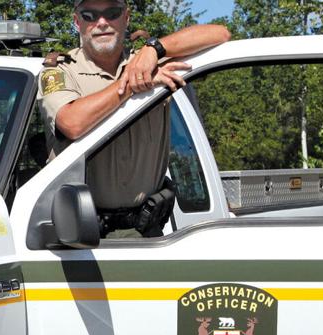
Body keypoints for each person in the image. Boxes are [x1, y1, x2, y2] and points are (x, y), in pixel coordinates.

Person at [40, 0, 230, 236]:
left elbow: (220, 34)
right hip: (81, 237)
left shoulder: (150, 62)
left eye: (112, 13)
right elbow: (71, 122)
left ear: (126, 18)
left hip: (148, 231)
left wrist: (154, 49)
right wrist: (131, 83)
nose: (102, 23)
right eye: (90, 15)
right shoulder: (59, 71)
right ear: (77, 21)